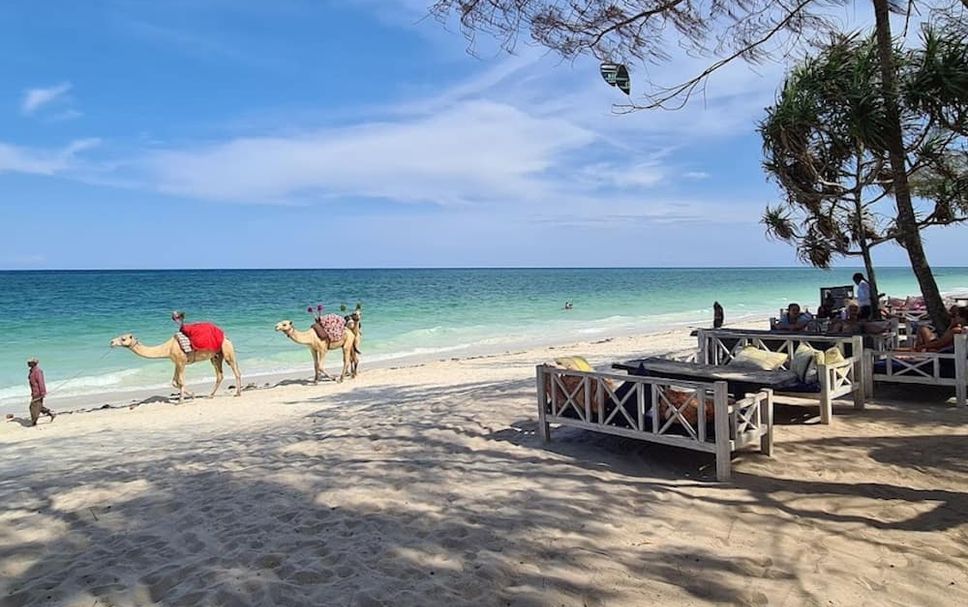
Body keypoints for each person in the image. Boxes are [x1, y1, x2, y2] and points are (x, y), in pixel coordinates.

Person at [27, 358, 55, 426]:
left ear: (34, 363)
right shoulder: (31, 371)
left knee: (32, 407)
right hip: (34, 392)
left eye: (29, 362)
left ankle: (34, 422)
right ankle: (50, 413)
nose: (28, 363)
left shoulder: (38, 371)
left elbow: (41, 382)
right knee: (38, 406)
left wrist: (43, 392)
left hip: (38, 392)